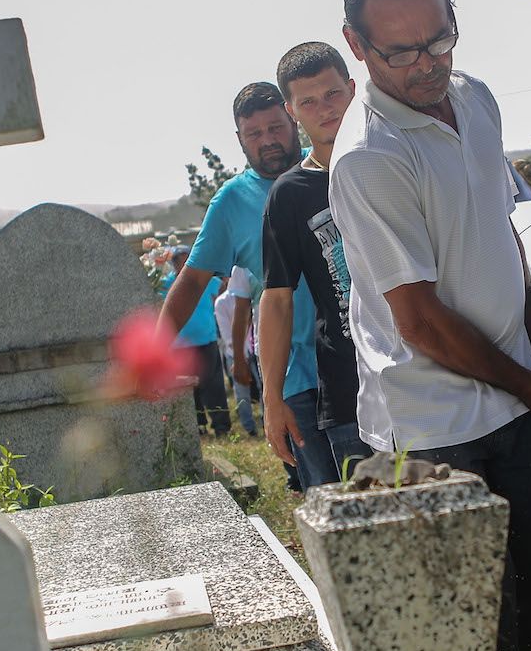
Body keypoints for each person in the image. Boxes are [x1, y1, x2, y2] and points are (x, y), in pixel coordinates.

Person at [329, 0, 531, 651]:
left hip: (511, 390)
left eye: (441, 39)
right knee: (476, 610)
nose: (428, 64)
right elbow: (423, 321)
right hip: (433, 420)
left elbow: (501, 231)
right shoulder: (367, 157)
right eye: (401, 51)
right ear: (356, 46)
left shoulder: (474, 99)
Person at [158, 83, 331, 490]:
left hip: (358, 360)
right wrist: (153, 353)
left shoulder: (331, 171)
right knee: (326, 494)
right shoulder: (231, 203)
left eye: (275, 128)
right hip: (293, 376)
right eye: (254, 134)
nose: (268, 141)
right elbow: (191, 282)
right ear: (239, 140)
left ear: (293, 120)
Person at [260, 42, 374, 486]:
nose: (324, 110)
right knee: (367, 535)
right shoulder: (289, 195)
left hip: (425, 378)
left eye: (332, 95)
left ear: (352, 88)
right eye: (308, 101)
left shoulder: (391, 158)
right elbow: (277, 300)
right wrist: (272, 398)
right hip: (348, 390)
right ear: (292, 111)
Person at [160, 247, 227, 435]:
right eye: (181, 261)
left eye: (188, 259)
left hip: (206, 339)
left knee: (213, 385)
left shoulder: (201, 279)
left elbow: (221, 286)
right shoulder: (166, 284)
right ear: (173, 265)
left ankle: (221, 425)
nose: (186, 264)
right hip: (180, 345)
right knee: (190, 389)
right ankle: (198, 425)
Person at [213, 265, 258, 437]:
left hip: (254, 347)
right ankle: (249, 426)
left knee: (264, 387)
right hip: (236, 352)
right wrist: (240, 354)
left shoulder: (250, 294)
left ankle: (264, 418)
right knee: (242, 393)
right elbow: (226, 333)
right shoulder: (222, 302)